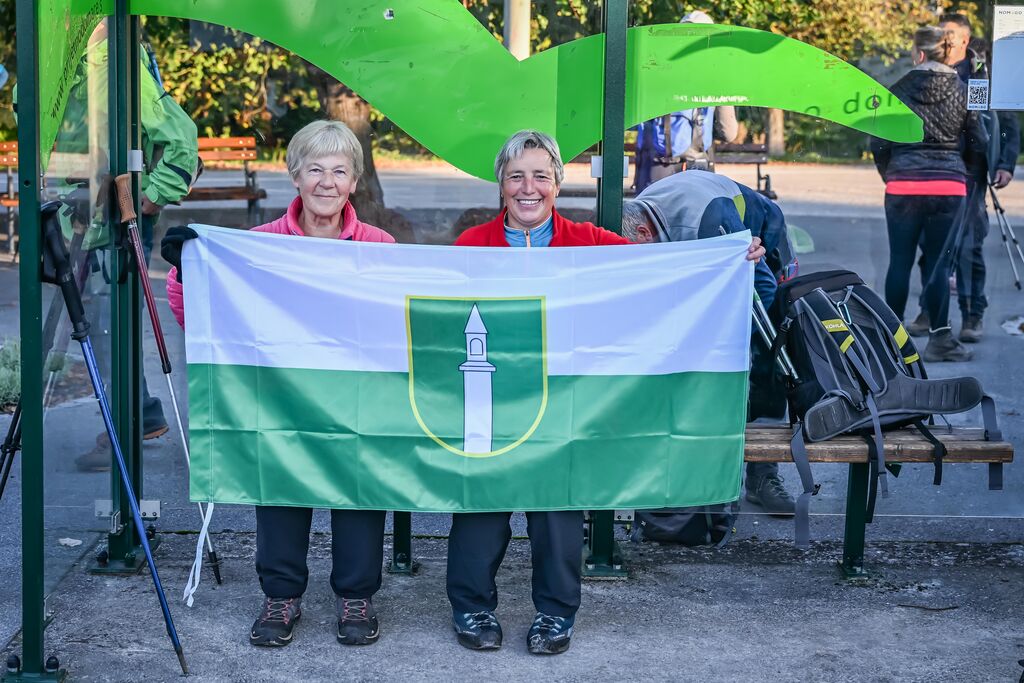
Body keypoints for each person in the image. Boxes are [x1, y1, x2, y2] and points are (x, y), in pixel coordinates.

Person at [451, 130, 764, 655]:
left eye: (540, 176)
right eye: (516, 176)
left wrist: (730, 259)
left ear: (557, 183)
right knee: (480, 505)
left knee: (558, 509)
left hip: (566, 409)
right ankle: (471, 606)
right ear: (500, 183)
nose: (528, 188)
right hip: (494, 405)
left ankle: (555, 613)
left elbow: (662, 277)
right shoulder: (470, 247)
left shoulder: (590, 243)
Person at [161, 120, 395, 648]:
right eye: (315, 169)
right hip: (280, 397)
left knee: (359, 491)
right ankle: (281, 595)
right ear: (294, 175)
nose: (327, 182)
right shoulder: (258, 246)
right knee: (280, 490)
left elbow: (401, 324)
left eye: (340, 170)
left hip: (356, 398)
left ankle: (356, 595)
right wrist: (186, 272)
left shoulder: (379, 246)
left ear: (355, 181)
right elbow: (203, 318)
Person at [621, 169, 795, 515]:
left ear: (643, 234)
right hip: (698, 232)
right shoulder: (637, 219)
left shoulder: (706, 221)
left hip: (764, 239)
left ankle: (763, 473)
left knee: (768, 349)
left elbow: (758, 290)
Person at [69, 21, 200, 470]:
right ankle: (139, 414)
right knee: (104, 327)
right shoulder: (74, 65)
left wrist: (152, 195)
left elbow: (182, 139)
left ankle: (124, 427)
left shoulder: (116, 63)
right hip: (83, 218)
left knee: (106, 328)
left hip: (113, 221)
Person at [870, 26, 986, 363]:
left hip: (903, 185)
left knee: (899, 262)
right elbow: (978, 141)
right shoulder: (963, 90)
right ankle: (940, 339)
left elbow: (878, 143)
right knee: (939, 264)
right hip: (948, 186)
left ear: (918, 54)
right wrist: (961, 173)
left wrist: (892, 175)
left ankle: (892, 341)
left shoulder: (895, 91)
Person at [907, 14, 1019, 343]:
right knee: (932, 247)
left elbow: (1005, 123)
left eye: (950, 35)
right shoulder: (929, 69)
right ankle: (929, 312)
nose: (944, 40)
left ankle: (972, 315)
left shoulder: (981, 74)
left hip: (970, 172)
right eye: (941, 34)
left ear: (965, 40)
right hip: (933, 169)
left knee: (969, 246)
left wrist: (1005, 163)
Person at [632, 10, 739, 193]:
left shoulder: (654, 69)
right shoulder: (716, 77)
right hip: (698, 168)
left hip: (657, 167)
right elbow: (728, 133)